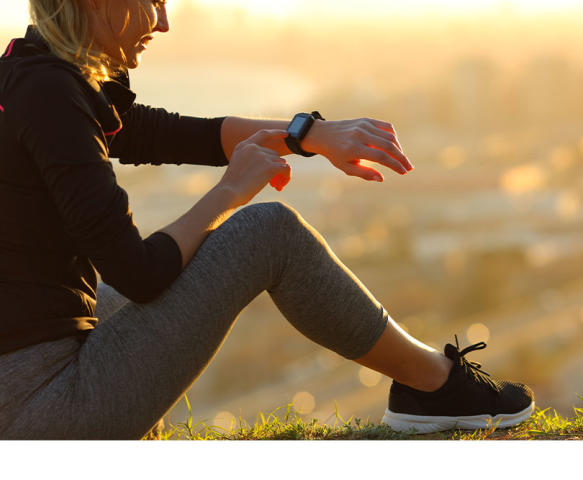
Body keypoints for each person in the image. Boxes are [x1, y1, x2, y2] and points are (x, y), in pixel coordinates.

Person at [0, 0, 534, 440]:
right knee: (268, 233)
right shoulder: (51, 94)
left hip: (25, 388)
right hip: (42, 410)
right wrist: (232, 191)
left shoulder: (25, 74)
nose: (163, 22)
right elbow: (139, 273)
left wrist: (308, 134)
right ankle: (435, 388)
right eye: (153, 2)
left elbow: (164, 132)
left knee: (113, 284)